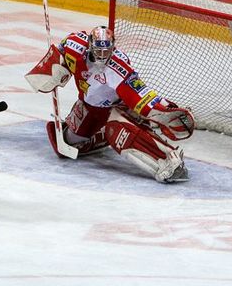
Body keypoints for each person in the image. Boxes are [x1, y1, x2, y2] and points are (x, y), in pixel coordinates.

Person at [25, 26, 195, 183]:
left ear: (113, 48)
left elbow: (140, 94)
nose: (102, 55)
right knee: (68, 141)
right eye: (98, 50)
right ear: (90, 45)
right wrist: (53, 67)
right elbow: (60, 51)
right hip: (90, 106)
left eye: (106, 51)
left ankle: (168, 159)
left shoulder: (119, 67)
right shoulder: (74, 44)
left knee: (117, 128)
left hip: (118, 107)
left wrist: (163, 108)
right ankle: (103, 134)